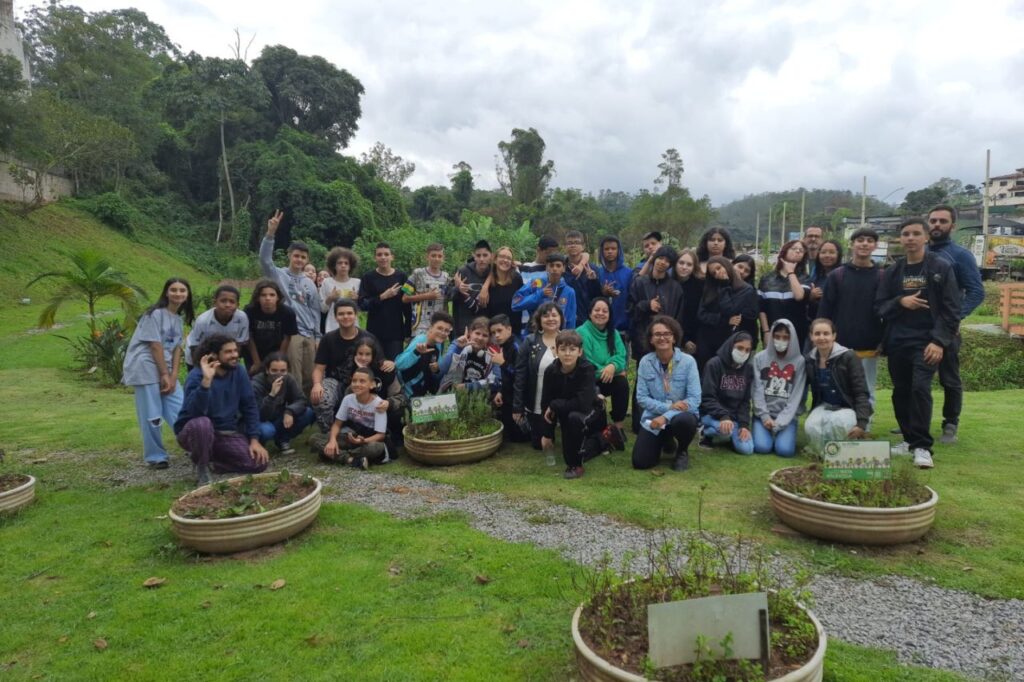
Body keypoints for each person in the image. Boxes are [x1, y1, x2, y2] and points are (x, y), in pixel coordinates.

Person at [876, 217, 961, 468]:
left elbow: (951, 309)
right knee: (900, 391)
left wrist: (939, 341)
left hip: (927, 343)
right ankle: (908, 438)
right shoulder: (893, 271)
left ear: (926, 237)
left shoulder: (941, 267)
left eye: (915, 234)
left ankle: (922, 446)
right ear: (900, 239)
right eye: (905, 234)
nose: (910, 238)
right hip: (898, 342)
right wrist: (901, 302)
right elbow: (880, 306)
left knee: (920, 389)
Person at [174, 335, 269, 486]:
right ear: (214, 355)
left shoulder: (239, 371)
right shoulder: (196, 376)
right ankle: (202, 467)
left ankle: (214, 463)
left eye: (235, 351)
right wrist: (206, 382)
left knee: (258, 463)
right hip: (195, 431)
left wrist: (254, 440)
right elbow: (193, 412)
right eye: (228, 352)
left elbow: (249, 406)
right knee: (202, 424)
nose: (235, 355)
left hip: (225, 433)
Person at [122, 277, 195, 468]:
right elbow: (155, 346)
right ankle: (156, 457)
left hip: (166, 369)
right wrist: (164, 374)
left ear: (187, 295)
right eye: (173, 290)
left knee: (181, 409)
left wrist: (172, 376)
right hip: (145, 368)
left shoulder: (178, 320)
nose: (178, 293)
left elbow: (177, 349)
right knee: (152, 415)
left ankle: (195, 446)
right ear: (166, 293)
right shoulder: (154, 314)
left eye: (182, 290)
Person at [927, 204, 985, 444]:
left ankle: (950, 423)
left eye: (942, 221)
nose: (937, 225)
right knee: (916, 378)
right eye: (933, 221)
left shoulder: (960, 255)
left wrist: (956, 317)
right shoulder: (918, 252)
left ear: (953, 225)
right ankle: (914, 420)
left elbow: (976, 292)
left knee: (949, 379)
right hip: (920, 327)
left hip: (948, 329)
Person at [540, 330, 624, 480]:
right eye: (563, 349)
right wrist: (547, 434)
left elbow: (582, 404)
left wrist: (555, 404)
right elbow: (546, 402)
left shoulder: (587, 368)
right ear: (556, 351)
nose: (567, 354)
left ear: (580, 352)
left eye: (572, 349)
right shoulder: (550, 371)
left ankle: (575, 465)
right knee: (572, 441)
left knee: (573, 426)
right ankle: (606, 438)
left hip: (592, 410)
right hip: (568, 410)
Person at [818, 228, 884, 410]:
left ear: (875, 246)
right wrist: (824, 341)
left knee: (867, 388)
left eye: (869, 240)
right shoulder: (837, 276)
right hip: (839, 345)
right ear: (851, 244)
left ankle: (865, 427)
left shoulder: (882, 276)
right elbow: (824, 313)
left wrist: (883, 340)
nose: (864, 244)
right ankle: (843, 428)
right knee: (840, 387)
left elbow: (887, 312)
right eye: (860, 240)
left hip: (870, 344)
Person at [260, 210, 322, 396]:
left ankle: (310, 414)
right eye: (296, 256)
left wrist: (317, 337)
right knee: (294, 375)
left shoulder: (309, 283)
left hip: (309, 335)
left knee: (311, 375)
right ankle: (294, 410)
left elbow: (315, 311)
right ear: (289, 256)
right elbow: (264, 260)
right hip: (291, 333)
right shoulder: (278, 275)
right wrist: (270, 234)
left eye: (303, 257)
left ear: (307, 260)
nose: (299, 260)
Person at [632, 316, 701, 471]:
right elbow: (641, 398)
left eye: (667, 333)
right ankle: (666, 439)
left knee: (684, 421)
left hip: (682, 415)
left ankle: (682, 450)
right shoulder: (645, 362)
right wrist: (666, 409)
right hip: (653, 418)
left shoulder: (688, 362)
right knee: (640, 462)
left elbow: (694, 400)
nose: (662, 337)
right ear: (651, 339)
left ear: (674, 337)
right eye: (657, 334)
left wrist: (666, 416)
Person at [627, 245, 683, 432]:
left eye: (668, 261)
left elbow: (678, 316)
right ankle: (639, 423)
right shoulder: (639, 282)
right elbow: (630, 311)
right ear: (654, 258)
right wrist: (646, 305)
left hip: (667, 342)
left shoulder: (675, 288)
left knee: (667, 381)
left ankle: (664, 419)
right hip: (643, 340)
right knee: (644, 380)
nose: (663, 263)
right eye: (660, 258)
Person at [310, 299, 380, 431]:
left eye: (349, 313)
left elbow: (378, 363)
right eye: (341, 314)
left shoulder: (368, 338)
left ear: (356, 315)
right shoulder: (328, 339)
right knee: (321, 398)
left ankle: (361, 431)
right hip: (335, 381)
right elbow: (319, 369)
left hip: (361, 380)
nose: (346, 317)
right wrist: (317, 384)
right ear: (335, 317)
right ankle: (329, 434)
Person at [804, 318, 871, 454]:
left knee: (836, 423)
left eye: (826, 333)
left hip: (847, 406)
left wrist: (862, 423)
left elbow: (861, 392)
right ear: (811, 336)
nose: (822, 338)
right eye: (817, 334)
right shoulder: (809, 360)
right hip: (825, 405)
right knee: (811, 426)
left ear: (834, 336)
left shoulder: (849, 357)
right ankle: (822, 454)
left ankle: (841, 455)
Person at [512, 303, 564, 450]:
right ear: (539, 319)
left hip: (564, 401)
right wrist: (517, 407)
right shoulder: (530, 341)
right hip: (538, 403)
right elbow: (520, 375)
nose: (551, 319)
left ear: (561, 318)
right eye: (546, 315)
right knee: (539, 445)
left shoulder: (568, 339)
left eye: (554, 315)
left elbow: (583, 370)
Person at [751, 319, 805, 457]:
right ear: (772, 337)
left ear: (792, 339)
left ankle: (779, 434)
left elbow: (796, 397)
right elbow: (757, 390)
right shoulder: (759, 358)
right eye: (777, 336)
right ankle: (765, 431)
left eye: (786, 337)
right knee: (762, 447)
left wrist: (780, 422)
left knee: (784, 450)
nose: (781, 340)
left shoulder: (800, 362)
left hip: (787, 418)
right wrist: (764, 417)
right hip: (763, 415)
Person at [696, 257, 758, 373]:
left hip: (727, 341)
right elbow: (701, 314)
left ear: (727, 265)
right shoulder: (711, 287)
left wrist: (724, 286)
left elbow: (730, 311)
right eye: (713, 272)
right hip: (706, 339)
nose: (718, 273)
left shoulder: (746, 290)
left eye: (719, 268)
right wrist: (722, 320)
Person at [321, 367, 390, 469]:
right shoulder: (348, 399)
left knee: (376, 448)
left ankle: (334, 455)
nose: (357, 384)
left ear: (372, 384)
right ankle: (351, 459)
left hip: (368, 441)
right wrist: (332, 441)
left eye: (362, 381)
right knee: (316, 438)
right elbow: (337, 424)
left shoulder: (379, 404)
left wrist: (363, 441)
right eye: (354, 381)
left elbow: (380, 435)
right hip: (352, 437)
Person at [577, 298, 628, 433]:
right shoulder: (582, 332)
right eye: (597, 310)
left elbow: (621, 355)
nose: (601, 313)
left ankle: (618, 426)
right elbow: (586, 363)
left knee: (622, 383)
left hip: (606, 377)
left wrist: (612, 366)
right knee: (619, 376)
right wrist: (610, 371)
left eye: (605, 311)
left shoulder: (613, 332)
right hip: (587, 381)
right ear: (590, 313)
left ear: (609, 315)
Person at [698, 332, 755, 455]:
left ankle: (727, 435)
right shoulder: (714, 364)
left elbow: (745, 401)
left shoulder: (748, 369)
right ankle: (706, 431)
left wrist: (744, 425)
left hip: (734, 418)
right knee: (725, 430)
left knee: (747, 449)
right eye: (739, 348)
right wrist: (723, 416)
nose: (743, 352)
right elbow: (707, 397)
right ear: (731, 345)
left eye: (747, 350)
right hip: (711, 415)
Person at [251, 352, 315, 455]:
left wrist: (289, 411)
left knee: (308, 413)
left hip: (279, 416)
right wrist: (272, 395)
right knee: (267, 430)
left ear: (287, 371)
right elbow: (259, 415)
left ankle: (283, 440)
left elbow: (301, 399)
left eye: (283, 371)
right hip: (260, 421)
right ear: (267, 370)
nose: (278, 374)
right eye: (274, 371)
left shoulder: (289, 379)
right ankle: (257, 444)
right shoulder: (256, 384)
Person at [359, 242, 410, 360]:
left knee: (394, 366)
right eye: (379, 254)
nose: (383, 257)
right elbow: (362, 305)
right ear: (375, 257)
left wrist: (408, 332)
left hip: (396, 332)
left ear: (392, 257)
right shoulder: (368, 277)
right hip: (374, 331)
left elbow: (407, 306)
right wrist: (382, 296)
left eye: (386, 254)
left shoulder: (401, 276)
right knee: (375, 366)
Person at [757, 240, 810, 352]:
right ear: (784, 251)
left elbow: (799, 296)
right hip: (772, 331)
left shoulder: (805, 278)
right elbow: (761, 308)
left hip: (796, 333)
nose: (798, 251)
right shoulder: (767, 278)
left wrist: (791, 273)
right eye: (794, 248)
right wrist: (766, 332)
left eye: (801, 250)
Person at [185, 285, 248, 367]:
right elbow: (195, 347)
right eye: (223, 301)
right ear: (215, 302)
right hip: (200, 354)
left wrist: (231, 363)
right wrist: (201, 367)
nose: (227, 305)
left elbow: (239, 344)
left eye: (232, 302)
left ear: (238, 305)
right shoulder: (203, 321)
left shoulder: (242, 318)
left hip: (226, 355)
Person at [243, 280, 297, 375]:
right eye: (263, 295)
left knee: (275, 376)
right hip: (254, 351)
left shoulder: (287, 313)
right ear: (257, 298)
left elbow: (287, 338)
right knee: (255, 378)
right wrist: (256, 362)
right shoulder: (249, 311)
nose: (268, 298)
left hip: (275, 350)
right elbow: (249, 337)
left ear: (278, 297)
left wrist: (279, 360)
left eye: (272, 295)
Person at [488, 314, 528, 442]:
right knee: (506, 434)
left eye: (499, 331)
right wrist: (500, 391)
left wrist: (503, 363)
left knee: (519, 437)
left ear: (509, 329)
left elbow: (521, 376)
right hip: (508, 394)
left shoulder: (517, 347)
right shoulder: (504, 346)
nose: (497, 335)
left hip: (519, 397)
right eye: (493, 333)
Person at [511, 253, 578, 328]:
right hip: (536, 333)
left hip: (558, 336)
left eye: (558, 266)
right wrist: (540, 294)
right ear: (546, 268)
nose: (555, 268)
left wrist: (568, 338)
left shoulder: (569, 291)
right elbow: (515, 304)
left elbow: (570, 320)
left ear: (564, 268)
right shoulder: (537, 283)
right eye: (551, 265)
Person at [395, 312, 453, 398]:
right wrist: (416, 352)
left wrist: (436, 369)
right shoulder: (420, 340)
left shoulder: (438, 344)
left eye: (446, 331)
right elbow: (398, 364)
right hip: (408, 393)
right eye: (439, 328)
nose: (443, 333)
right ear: (431, 328)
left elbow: (438, 367)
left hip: (425, 392)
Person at [402, 243, 451, 337]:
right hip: (421, 324)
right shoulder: (417, 274)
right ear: (427, 257)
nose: (436, 259)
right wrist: (426, 296)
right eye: (433, 256)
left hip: (439, 325)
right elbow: (404, 298)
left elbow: (448, 299)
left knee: (436, 351)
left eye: (439, 256)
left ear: (443, 258)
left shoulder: (446, 277)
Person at [438, 317, 499, 393]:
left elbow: (494, 381)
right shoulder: (457, 345)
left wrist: (467, 387)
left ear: (489, 338)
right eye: (477, 333)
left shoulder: (491, 355)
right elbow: (442, 370)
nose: (480, 338)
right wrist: (458, 348)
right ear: (470, 333)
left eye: (485, 335)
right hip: (452, 393)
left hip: (477, 397)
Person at [451, 240, 493, 334]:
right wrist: (458, 289)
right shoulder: (463, 271)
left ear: (491, 256)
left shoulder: (494, 272)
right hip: (463, 325)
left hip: (485, 326)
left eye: (485, 255)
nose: (482, 259)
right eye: (478, 255)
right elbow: (449, 295)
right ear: (473, 255)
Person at [595, 236, 633, 336]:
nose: (610, 252)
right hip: (601, 327)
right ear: (602, 252)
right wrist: (603, 293)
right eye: (606, 249)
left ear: (618, 251)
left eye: (613, 248)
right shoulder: (598, 273)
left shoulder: (629, 273)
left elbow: (632, 299)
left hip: (624, 328)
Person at [483, 246, 525, 336]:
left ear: (512, 262)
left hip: (513, 333)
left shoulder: (516, 279)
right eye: (502, 256)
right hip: (494, 334)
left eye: (508, 258)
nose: (505, 260)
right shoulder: (488, 283)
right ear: (495, 260)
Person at [562, 230, 601, 324]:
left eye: (576, 242)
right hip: (565, 319)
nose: (573, 245)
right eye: (569, 243)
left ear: (583, 247)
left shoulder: (592, 269)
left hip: (587, 320)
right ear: (565, 247)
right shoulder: (561, 268)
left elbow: (598, 296)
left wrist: (594, 281)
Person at [320, 247, 360, 334]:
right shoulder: (327, 282)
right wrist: (329, 299)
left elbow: (361, 309)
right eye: (340, 263)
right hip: (332, 327)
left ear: (350, 266)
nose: (343, 265)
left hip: (353, 327)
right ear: (334, 265)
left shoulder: (357, 283)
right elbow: (323, 309)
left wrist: (357, 300)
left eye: (346, 263)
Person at [674, 249, 703, 356]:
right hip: (669, 337)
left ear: (694, 267)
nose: (684, 267)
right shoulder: (668, 283)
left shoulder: (700, 286)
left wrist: (688, 340)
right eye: (681, 263)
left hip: (693, 339)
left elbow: (698, 316)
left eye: (689, 264)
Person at [806, 239, 842, 325]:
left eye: (832, 252)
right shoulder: (815, 278)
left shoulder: (844, 275)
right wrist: (810, 296)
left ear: (838, 255)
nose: (827, 255)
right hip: (817, 325)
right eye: (823, 252)